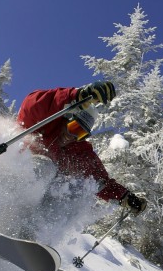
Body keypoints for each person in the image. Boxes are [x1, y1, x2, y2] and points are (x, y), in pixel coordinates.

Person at [16, 81, 147, 215]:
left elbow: (100, 181)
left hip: (36, 201)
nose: (72, 136)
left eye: (80, 133)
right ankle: (9, 205)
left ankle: (33, 231)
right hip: (13, 174)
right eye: (74, 128)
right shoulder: (46, 122)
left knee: (74, 192)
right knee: (45, 166)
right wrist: (76, 95)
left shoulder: (79, 151)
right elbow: (32, 104)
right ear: (67, 118)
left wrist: (125, 197)